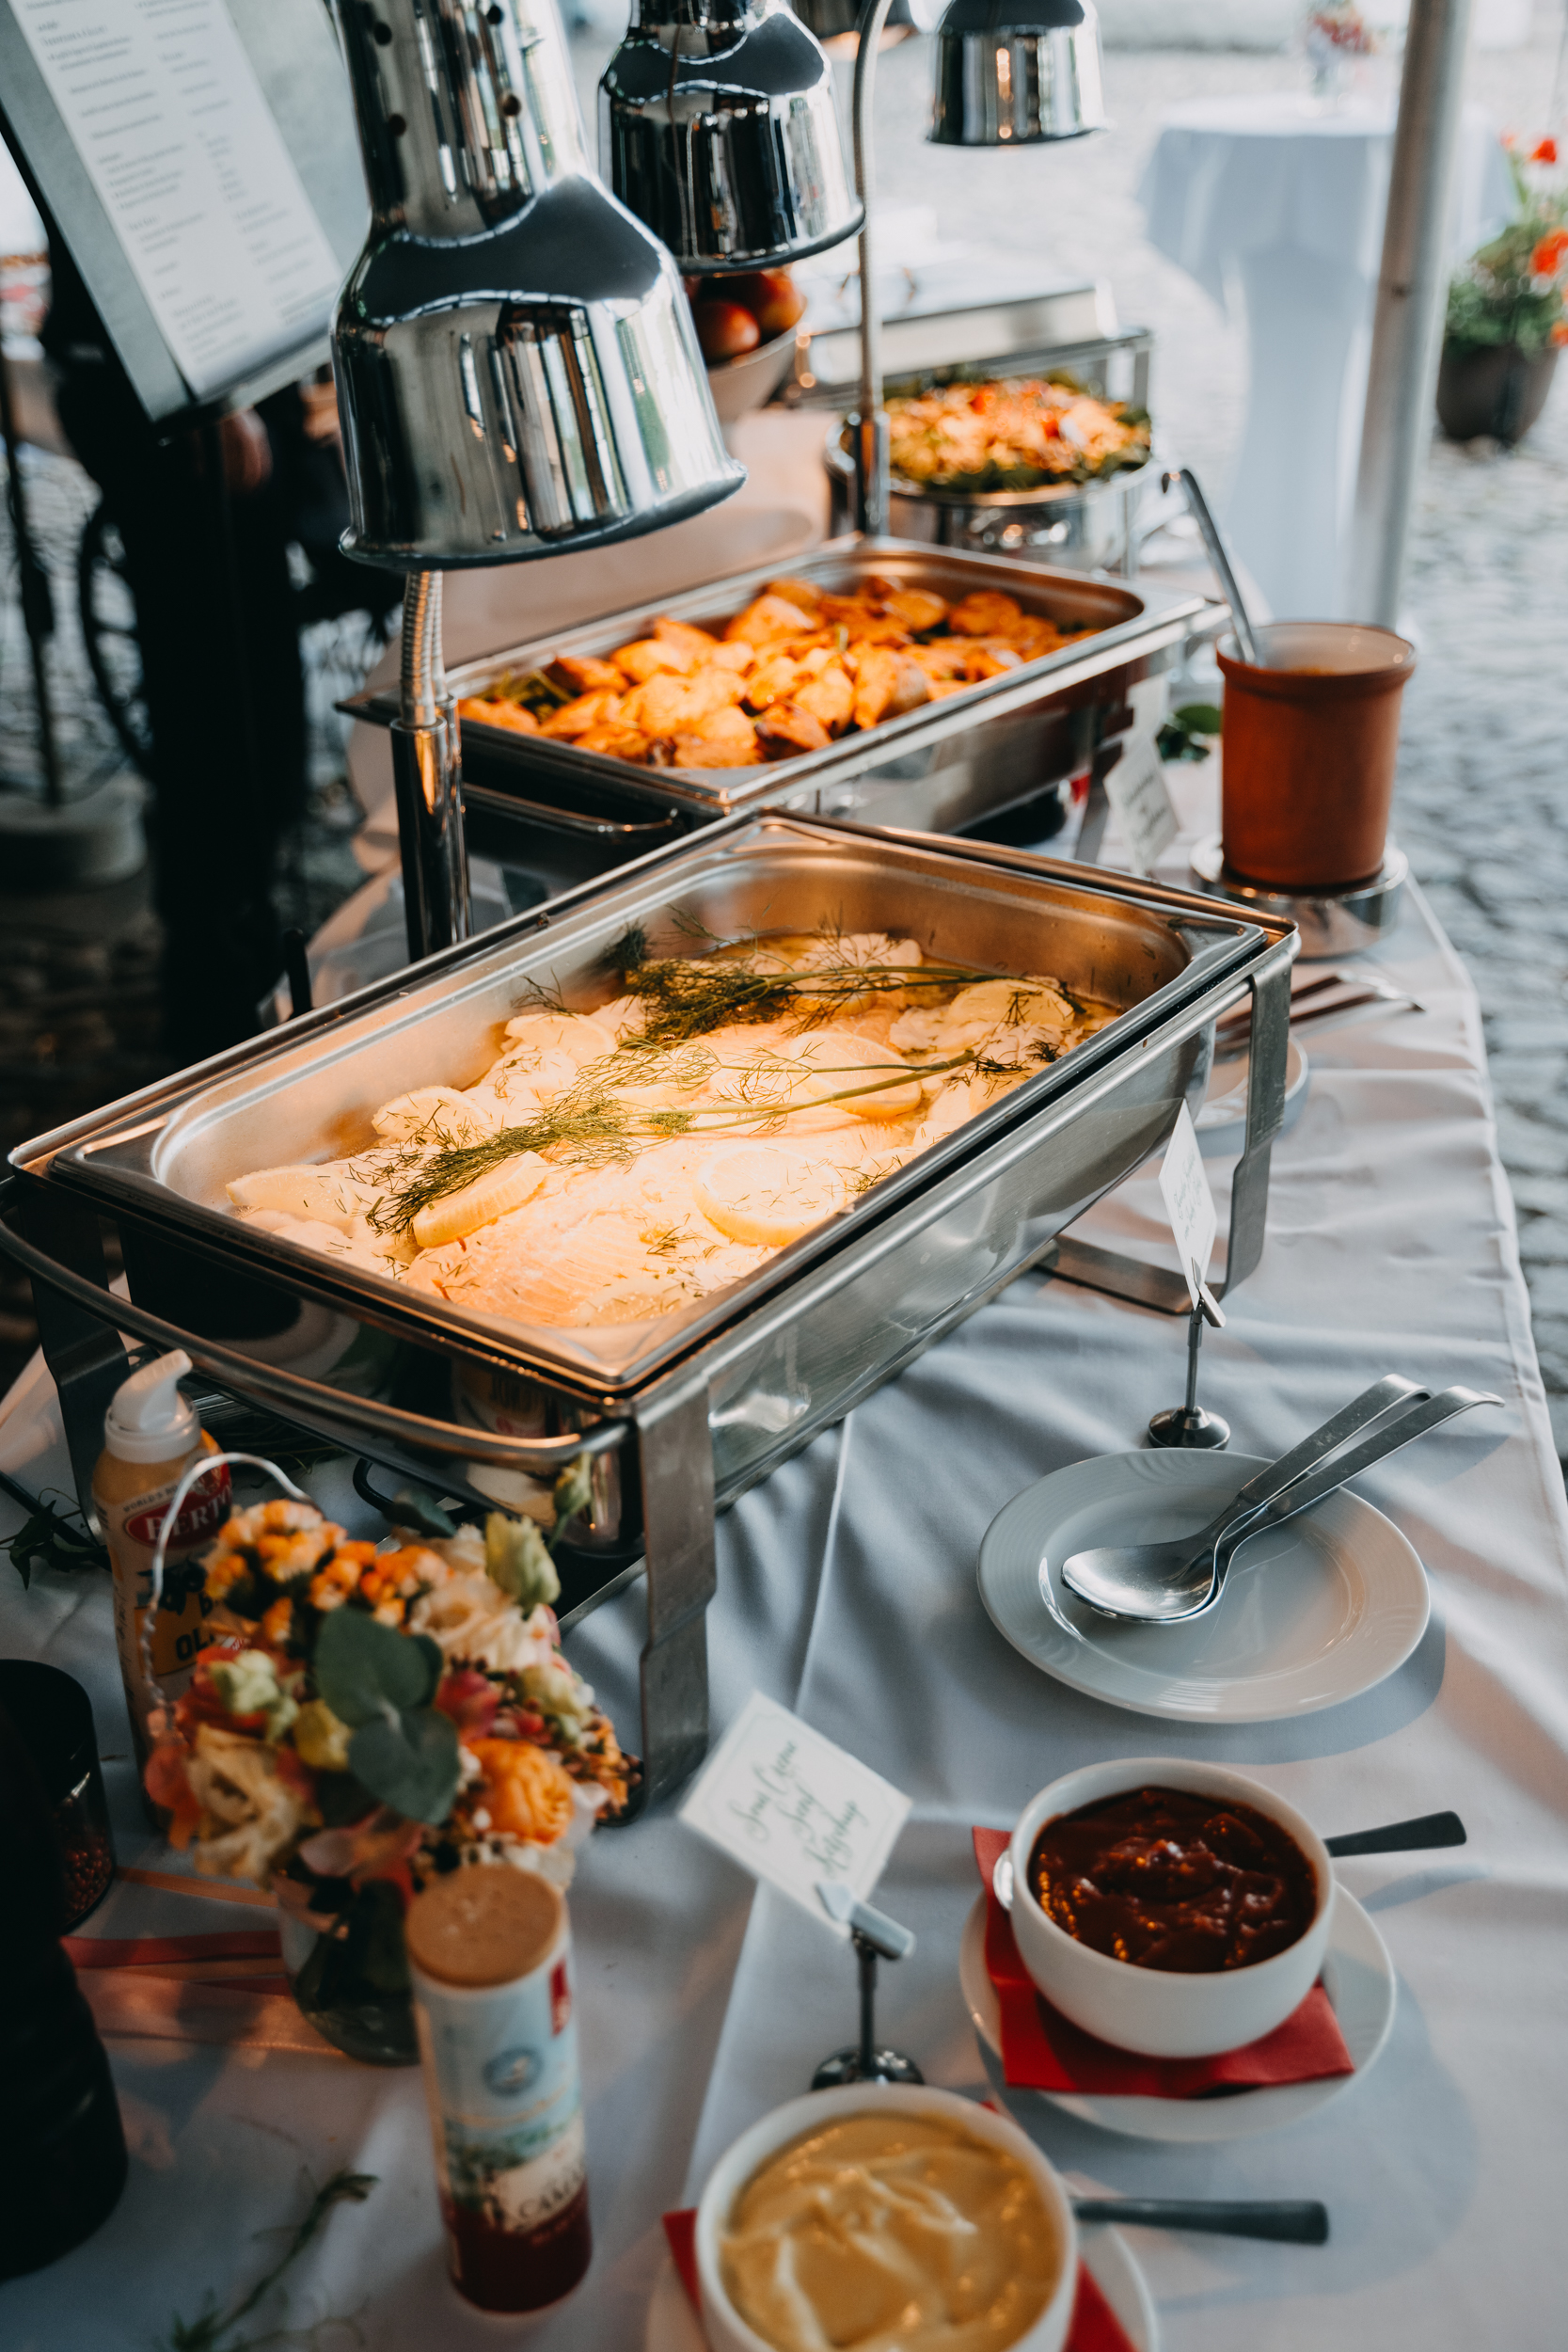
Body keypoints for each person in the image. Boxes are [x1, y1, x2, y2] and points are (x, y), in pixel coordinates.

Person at [42, 235, 317, 1064]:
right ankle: (214, 1004)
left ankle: (246, 961)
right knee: (218, 728)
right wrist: (214, 390)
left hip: (220, 378)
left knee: (254, 719)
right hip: (167, 394)